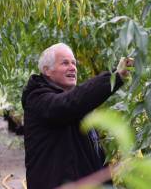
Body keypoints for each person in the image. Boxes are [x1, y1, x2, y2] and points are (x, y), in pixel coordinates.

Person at [21, 43, 133, 189]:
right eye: (65, 63)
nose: (73, 68)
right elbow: (70, 104)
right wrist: (115, 76)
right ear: (47, 70)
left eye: (74, 63)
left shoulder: (76, 105)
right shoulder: (38, 99)